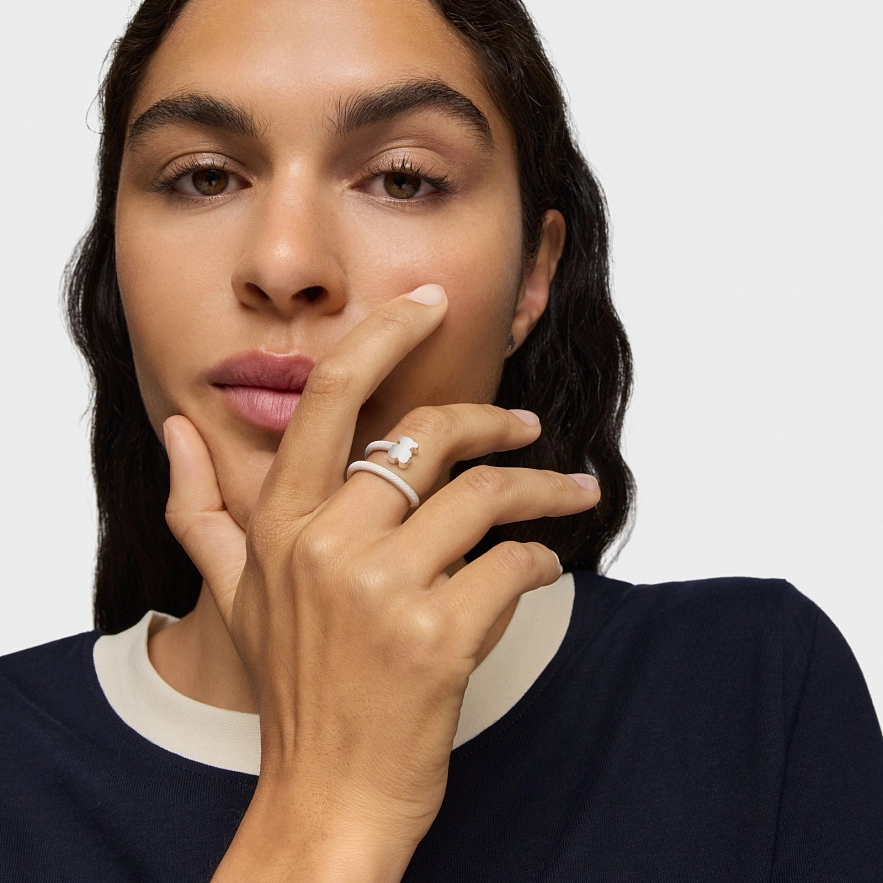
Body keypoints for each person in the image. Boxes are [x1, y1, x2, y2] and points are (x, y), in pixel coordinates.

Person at [1, 0, 881, 879]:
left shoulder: (755, 687)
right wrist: (330, 809)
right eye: (203, 177)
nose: (283, 265)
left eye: (401, 179)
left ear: (531, 276)